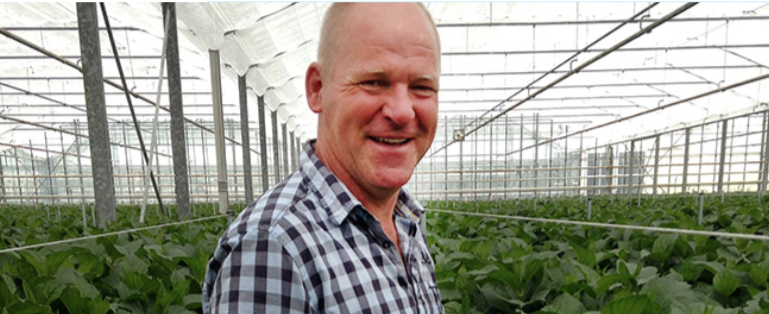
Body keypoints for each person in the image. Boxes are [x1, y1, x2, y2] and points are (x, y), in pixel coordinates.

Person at [202, 2, 443, 313]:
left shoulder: (404, 220)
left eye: (422, 87)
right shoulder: (272, 247)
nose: (401, 111)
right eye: (373, 82)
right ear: (317, 89)